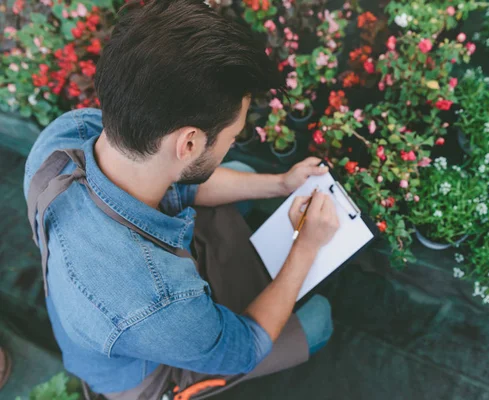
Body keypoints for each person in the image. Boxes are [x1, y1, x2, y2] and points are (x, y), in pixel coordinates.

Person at [23, 0, 340, 398]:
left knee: (241, 177)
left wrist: (280, 183)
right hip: (144, 371)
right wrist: (306, 247)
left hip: (99, 312)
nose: (235, 142)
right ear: (188, 142)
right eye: (233, 135)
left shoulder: (63, 137)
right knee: (319, 321)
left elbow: (180, 182)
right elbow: (244, 347)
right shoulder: (159, 301)